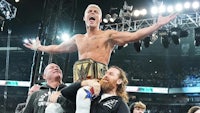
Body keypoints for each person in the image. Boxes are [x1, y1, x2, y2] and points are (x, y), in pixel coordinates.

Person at [24, 4, 177, 82]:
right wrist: (39, 47)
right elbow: (57, 48)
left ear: (100, 19)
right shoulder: (78, 38)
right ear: (84, 18)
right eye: (89, 11)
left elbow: (134, 36)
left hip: (100, 80)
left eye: (96, 12)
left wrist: (157, 25)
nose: (92, 13)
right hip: (80, 81)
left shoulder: (108, 35)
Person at [51, 65, 130, 113]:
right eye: (105, 73)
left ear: (119, 81)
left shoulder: (119, 103)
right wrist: (87, 83)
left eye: (111, 74)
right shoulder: (91, 93)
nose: (106, 75)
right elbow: (66, 92)